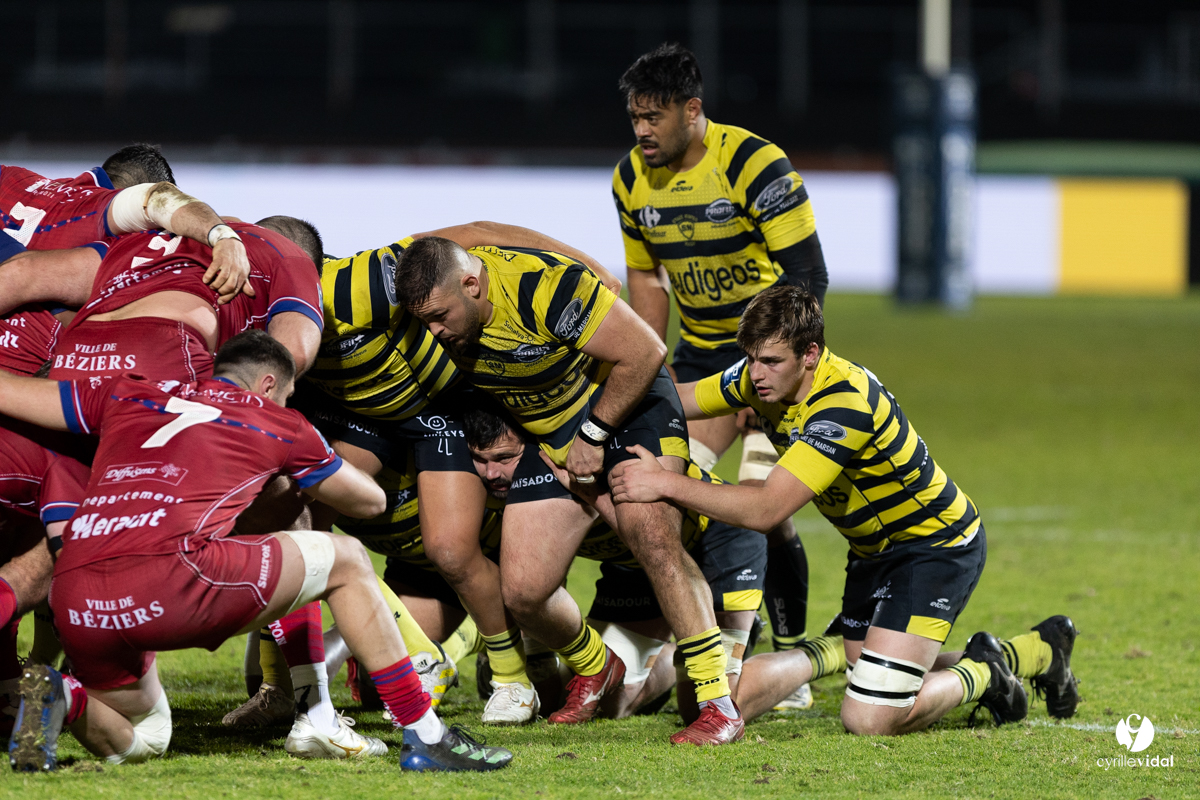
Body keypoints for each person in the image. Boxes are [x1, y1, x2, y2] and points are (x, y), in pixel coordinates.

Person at [3, 331, 512, 772]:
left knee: (146, 739)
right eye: (288, 396)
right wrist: (304, 465)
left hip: (76, 594)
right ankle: (425, 735)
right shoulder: (276, 421)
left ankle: (64, 698)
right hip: (170, 578)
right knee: (347, 559)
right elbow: (370, 501)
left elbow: (20, 393)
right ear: (270, 385)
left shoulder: (128, 393)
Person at [611, 285, 1080, 733]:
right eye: (751, 358)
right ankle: (1037, 651)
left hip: (934, 547)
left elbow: (765, 511)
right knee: (870, 668)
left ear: (810, 354)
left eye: (771, 361)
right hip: (873, 553)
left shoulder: (842, 404)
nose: (756, 373)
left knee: (869, 716)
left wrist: (663, 482)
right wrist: (594, 406)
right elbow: (682, 399)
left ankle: (988, 675)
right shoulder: (760, 379)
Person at [395, 236, 742, 746]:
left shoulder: (545, 289)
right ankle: (596, 666)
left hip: (628, 409)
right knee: (524, 590)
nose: (434, 331)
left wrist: (593, 437)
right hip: (553, 435)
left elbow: (645, 352)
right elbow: (474, 226)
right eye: (424, 320)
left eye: (441, 316)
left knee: (652, 536)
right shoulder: (445, 301)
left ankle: (718, 705)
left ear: (472, 284)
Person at [291, 224, 620, 726]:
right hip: (375, 420)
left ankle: (513, 677)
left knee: (451, 548)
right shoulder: (252, 309)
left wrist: (585, 270)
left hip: (443, 410)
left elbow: (474, 235)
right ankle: (284, 686)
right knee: (301, 516)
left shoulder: (360, 280)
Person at [614, 42, 827, 705]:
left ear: (693, 111)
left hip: (771, 363)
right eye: (634, 118)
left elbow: (807, 279)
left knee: (769, 514)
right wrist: (649, 368)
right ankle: (714, 632)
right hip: (703, 363)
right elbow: (647, 279)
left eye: (654, 117)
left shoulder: (753, 164)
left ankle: (789, 658)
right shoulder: (630, 180)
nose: (642, 131)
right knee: (681, 495)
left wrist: (775, 372)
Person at [463, 402, 830, 725]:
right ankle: (682, 652)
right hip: (634, 567)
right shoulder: (501, 492)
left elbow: (651, 540)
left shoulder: (577, 464)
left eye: (504, 459)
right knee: (608, 704)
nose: (491, 473)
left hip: (716, 544)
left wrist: (589, 491)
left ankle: (833, 650)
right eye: (480, 460)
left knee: (707, 706)